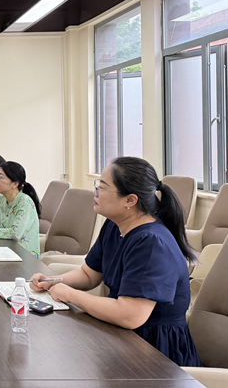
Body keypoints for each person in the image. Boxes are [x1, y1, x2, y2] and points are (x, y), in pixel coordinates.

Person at [30, 157, 200, 366]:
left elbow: (130, 315)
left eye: (102, 187)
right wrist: (52, 281)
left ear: (130, 200)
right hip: (122, 336)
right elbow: (88, 274)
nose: (95, 192)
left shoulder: (151, 243)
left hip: (155, 352)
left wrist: (70, 294)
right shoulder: (114, 226)